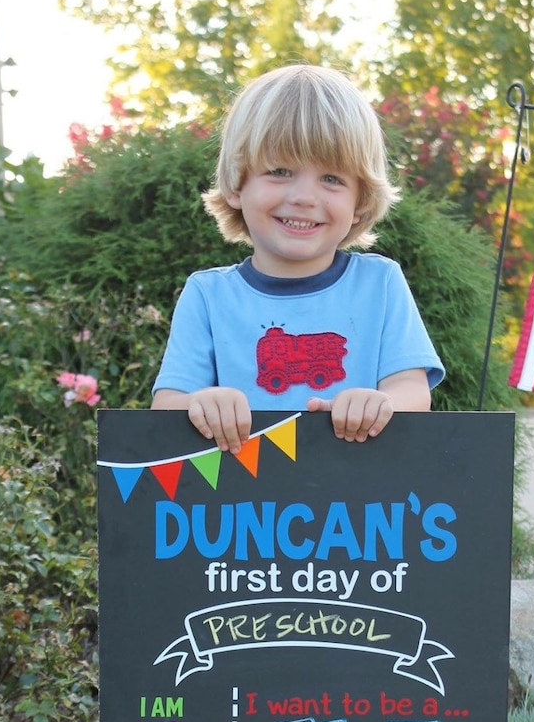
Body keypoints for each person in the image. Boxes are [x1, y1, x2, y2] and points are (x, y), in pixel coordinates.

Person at [151, 64, 444, 451]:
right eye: (280, 170)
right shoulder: (207, 295)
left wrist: (382, 404)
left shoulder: (381, 283)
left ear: (361, 201)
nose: (305, 197)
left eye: (332, 178)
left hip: (355, 504)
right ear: (238, 183)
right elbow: (164, 409)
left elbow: (414, 393)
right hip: (239, 506)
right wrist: (198, 404)